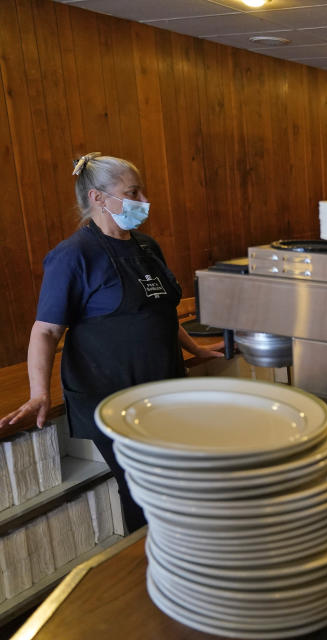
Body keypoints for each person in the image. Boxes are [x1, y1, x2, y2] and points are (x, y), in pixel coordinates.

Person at [0, 153, 222, 532]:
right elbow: (46, 331)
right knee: (142, 487)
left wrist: (196, 350)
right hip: (110, 398)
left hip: (162, 389)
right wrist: (40, 393)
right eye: (133, 192)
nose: (145, 200)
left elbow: (159, 313)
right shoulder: (73, 256)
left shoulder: (147, 246)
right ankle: (145, 565)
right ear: (98, 198)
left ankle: (181, 554)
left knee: (178, 481)